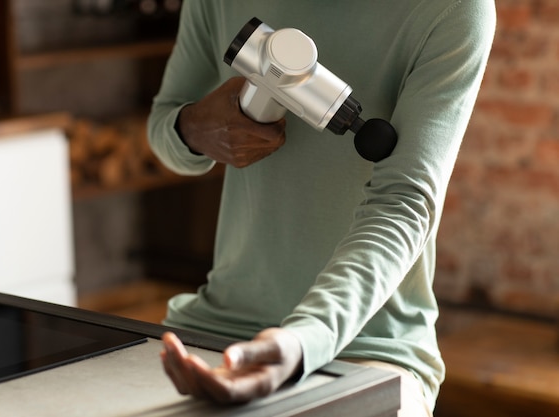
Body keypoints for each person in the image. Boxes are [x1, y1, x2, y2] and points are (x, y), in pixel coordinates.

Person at [147, 1, 495, 415]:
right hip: (215, 326)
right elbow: (163, 123)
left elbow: (403, 202)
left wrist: (302, 341)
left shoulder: (453, 10)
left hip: (371, 345)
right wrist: (194, 130)